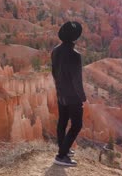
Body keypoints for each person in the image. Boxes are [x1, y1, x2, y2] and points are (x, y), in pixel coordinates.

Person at [51, 21, 87, 167]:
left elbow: (54, 73)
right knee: (77, 124)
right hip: (73, 96)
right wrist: (82, 97)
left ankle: (63, 148)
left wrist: (59, 89)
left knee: (62, 122)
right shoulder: (74, 55)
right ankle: (61, 155)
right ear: (75, 38)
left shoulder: (55, 50)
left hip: (61, 93)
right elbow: (77, 80)